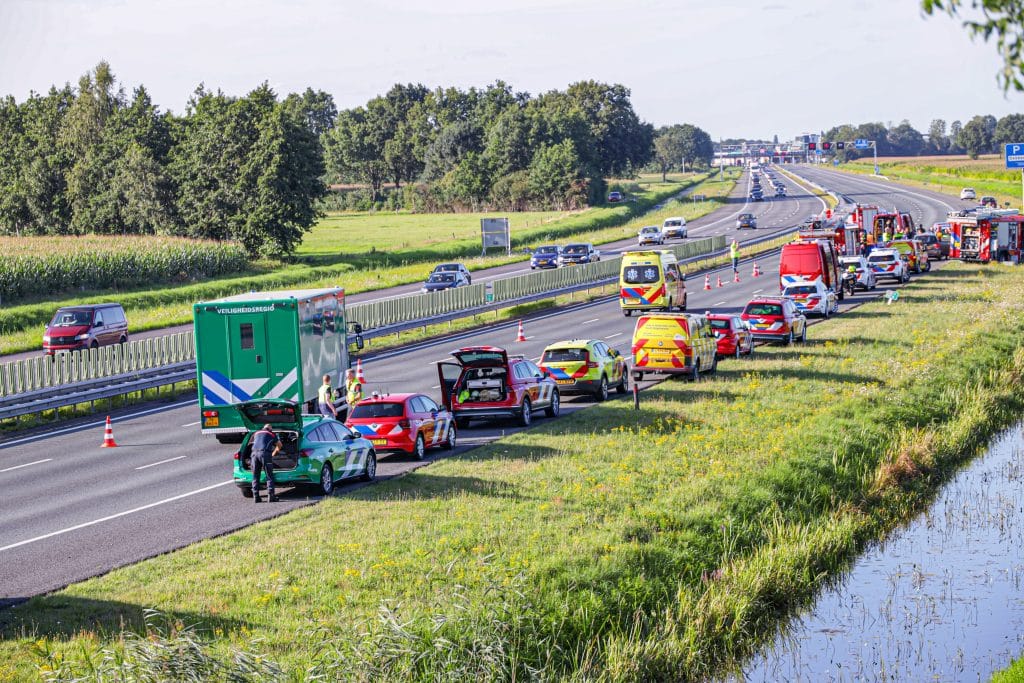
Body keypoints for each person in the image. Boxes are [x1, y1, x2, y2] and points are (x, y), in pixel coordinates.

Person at [250, 423, 281, 503]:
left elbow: (251, 443)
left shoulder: (256, 433)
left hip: (254, 454)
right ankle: (271, 496)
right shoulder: (272, 434)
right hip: (264, 454)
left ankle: (256, 496)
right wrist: (274, 452)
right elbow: (280, 445)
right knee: (269, 475)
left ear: (263, 427)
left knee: (255, 476)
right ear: (270, 429)